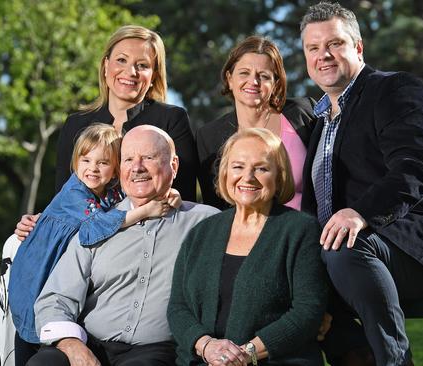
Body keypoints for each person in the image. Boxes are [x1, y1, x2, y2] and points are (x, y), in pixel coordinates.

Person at [299, 2, 423, 366]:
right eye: (313, 48)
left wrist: (359, 214)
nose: (324, 56)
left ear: (359, 47)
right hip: (355, 257)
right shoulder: (321, 122)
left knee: (342, 247)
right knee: (292, 277)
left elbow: (416, 167)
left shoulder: (395, 90)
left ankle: (396, 362)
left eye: (334, 44)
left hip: (421, 245)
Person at [27, 125, 219, 366]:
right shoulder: (99, 225)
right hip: (89, 343)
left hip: (156, 351)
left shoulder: (206, 223)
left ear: (174, 166)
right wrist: (71, 345)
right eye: (128, 159)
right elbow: (56, 298)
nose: (137, 167)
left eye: (148, 157)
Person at [15, 24, 199, 239]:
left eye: (142, 65)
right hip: (86, 241)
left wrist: (171, 195)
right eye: (121, 60)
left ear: (154, 76)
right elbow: (64, 197)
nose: (131, 72)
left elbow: (183, 192)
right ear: (105, 65)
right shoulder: (76, 124)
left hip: (150, 235)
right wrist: (39, 220)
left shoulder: (171, 119)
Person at [168, 128, 329, 365]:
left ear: (279, 175)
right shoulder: (201, 232)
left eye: (261, 168)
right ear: (224, 173)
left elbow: (307, 311)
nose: (248, 177)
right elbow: (178, 307)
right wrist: (207, 347)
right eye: (238, 166)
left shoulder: (300, 230)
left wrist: (246, 354)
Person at [196, 35, 316, 210]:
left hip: (309, 232)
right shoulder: (208, 136)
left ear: (275, 83)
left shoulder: (304, 113)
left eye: (264, 76)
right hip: (245, 235)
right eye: (244, 73)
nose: (253, 82)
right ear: (230, 79)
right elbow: (213, 207)